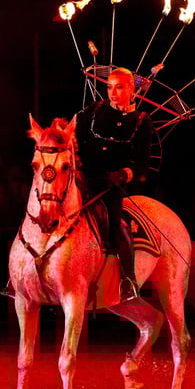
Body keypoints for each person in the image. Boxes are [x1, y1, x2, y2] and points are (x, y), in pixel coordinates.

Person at [75, 67, 152, 301]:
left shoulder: (140, 121)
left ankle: (128, 279)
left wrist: (122, 174)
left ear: (131, 89)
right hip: (84, 178)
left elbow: (142, 163)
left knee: (116, 222)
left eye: (119, 87)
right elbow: (75, 135)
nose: (113, 92)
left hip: (111, 185)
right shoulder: (95, 110)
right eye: (109, 87)